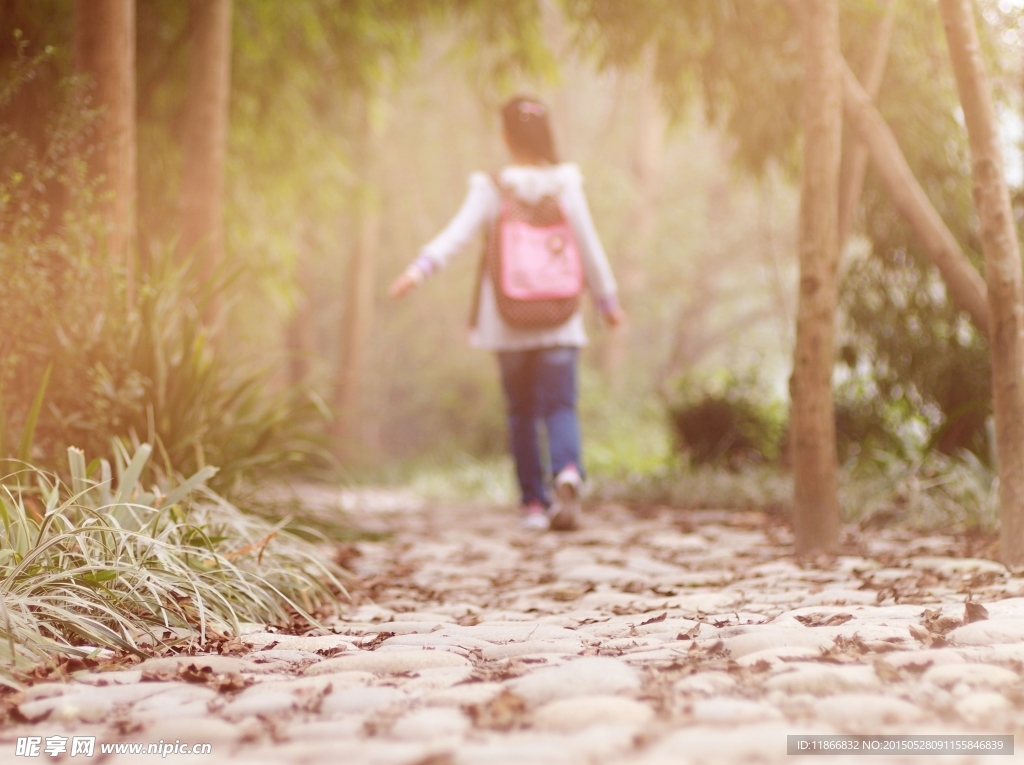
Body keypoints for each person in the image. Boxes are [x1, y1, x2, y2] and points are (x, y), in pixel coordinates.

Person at [389, 95, 624, 531]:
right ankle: (568, 471)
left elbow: (456, 236)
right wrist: (607, 301)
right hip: (560, 316)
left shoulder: (492, 188)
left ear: (506, 137)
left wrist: (418, 270)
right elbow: (589, 247)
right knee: (560, 405)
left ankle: (533, 504)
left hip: (507, 318)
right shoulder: (566, 185)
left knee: (520, 410)